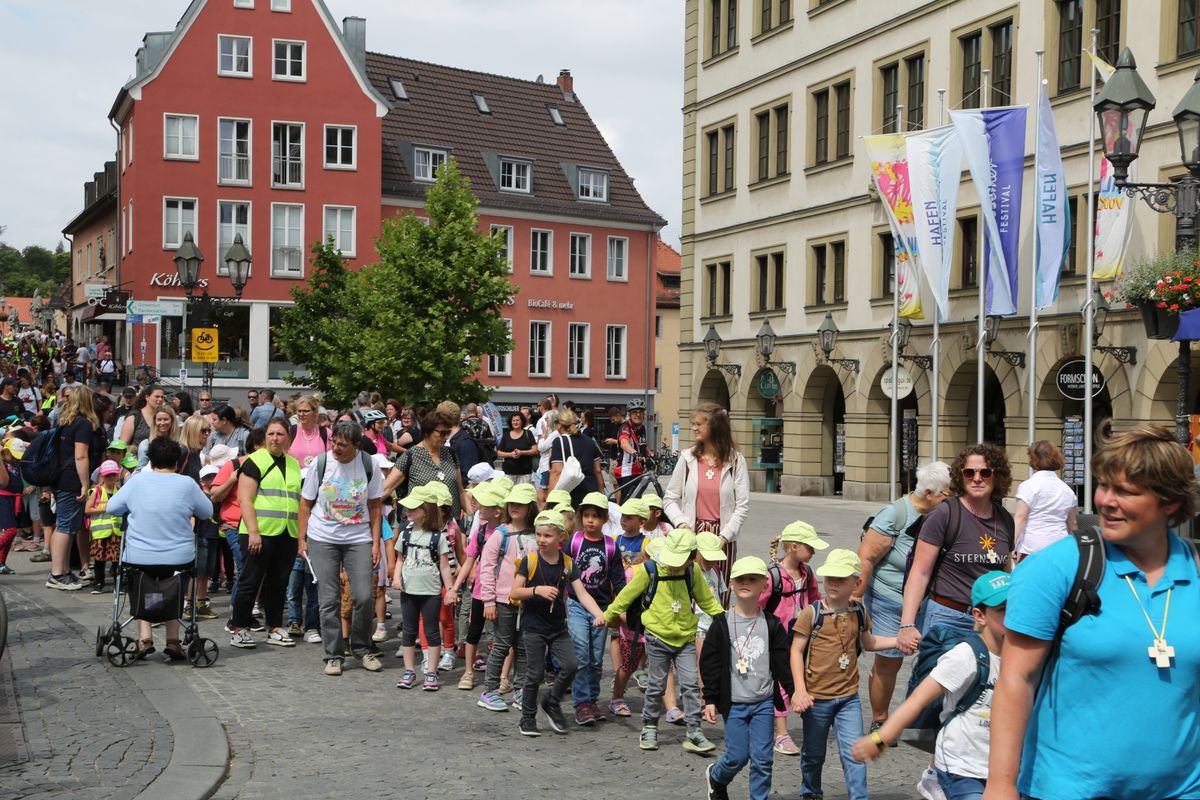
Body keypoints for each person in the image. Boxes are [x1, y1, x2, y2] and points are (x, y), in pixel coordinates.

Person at [987, 425, 1200, 800]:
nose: (1105, 501)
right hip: (1070, 789)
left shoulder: (1195, 570)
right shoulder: (1060, 566)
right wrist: (1000, 786)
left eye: (1125, 491)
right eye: (1104, 486)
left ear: (1170, 502)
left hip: (1182, 790)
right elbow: (1016, 679)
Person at [853, 571, 1010, 800]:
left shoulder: (1025, 656)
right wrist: (880, 738)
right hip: (961, 766)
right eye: (1003, 610)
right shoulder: (966, 656)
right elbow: (917, 700)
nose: (1013, 614)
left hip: (1003, 766)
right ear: (979, 615)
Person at [789, 549, 904, 800]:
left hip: (848, 698)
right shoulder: (812, 613)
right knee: (814, 754)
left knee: (855, 752)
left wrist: (897, 641)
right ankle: (811, 792)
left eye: (841, 579)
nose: (833, 584)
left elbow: (869, 642)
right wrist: (800, 689)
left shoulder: (859, 612)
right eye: (830, 578)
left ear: (857, 582)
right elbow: (796, 651)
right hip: (816, 699)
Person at [604, 528, 724, 754]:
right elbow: (625, 597)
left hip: (685, 638)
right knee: (656, 684)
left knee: (689, 684)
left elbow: (706, 600)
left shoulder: (693, 571)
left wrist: (724, 618)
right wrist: (608, 616)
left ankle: (694, 730)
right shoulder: (649, 570)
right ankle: (649, 726)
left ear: (691, 558)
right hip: (657, 637)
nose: (674, 565)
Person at [855, 461, 952, 728]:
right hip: (890, 598)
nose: (951, 500)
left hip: (928, 600)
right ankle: (880, 719)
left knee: (937, 660)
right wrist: (855, 602)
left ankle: (927, 718)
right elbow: (865, 558)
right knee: (889, 663)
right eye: (947, 494)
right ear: (929, 493)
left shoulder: (943, 515)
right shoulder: (895, 514)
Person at [899, 444, 1014, 654]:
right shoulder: (944, 514)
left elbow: (1006, 571)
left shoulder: (1005, 518)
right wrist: (907, 624)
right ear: (960, 477)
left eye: (985, 472)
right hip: (947, 618)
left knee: (983, 685)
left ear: (997, 477)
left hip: (988, 622)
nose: (977, 478)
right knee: (936, 684)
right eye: (969, 472)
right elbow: (920, 572)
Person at [106, 436, 214, 660]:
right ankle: (173, 640)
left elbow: (112, 507)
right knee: (171, 587)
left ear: (151, 460)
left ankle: (145, 638)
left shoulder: (137, 481)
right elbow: (207, 512)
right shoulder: (187, 484)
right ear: (177, 461)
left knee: (144, 585)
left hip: (140, 556)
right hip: (178, 556)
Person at [701, 556, 796, 800]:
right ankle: (716, 777)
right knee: (737, 756)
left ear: (764, 585)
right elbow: (710, 663)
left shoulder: (772, 624)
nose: (746, 583)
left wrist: (795, 692)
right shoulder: (721, 623)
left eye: (752, 579)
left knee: (763, 760)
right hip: (734, 703)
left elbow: (782, 664)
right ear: (731, 584)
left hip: (763, 702)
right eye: (740, 579)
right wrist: (710, 699)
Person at [509, 508, 608, 736]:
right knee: (534, 674)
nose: (542, 540)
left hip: (557, 627)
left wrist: (597, 614)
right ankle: (527, 718)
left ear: (560, 537)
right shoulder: (529, 560)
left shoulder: (568, 563)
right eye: (539, 535)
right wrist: (536, 590)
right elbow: (515, 591)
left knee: (572, 665)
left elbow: (582, 594)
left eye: (547, 536)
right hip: (533, 628)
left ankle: (551, 701)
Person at [298, 420, 385, 676]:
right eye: (334, 442)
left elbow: (376, 507)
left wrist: (376, 542)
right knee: (329, 599)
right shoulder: (321, 464)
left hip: (358, 537)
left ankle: (361, 647)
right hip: (322, 536)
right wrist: (301, 539)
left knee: (364, 595)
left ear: (357, 446)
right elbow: (305, 504)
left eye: (343, 445)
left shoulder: (370, 464)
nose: (336, 448)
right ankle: (334, 654)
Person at [229, 418, 302, 650]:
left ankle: (274, 627)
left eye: (280, 434)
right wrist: (253, 532)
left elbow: (297, 501)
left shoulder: (293, 464)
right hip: (258, 532)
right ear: (264, 436)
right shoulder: (254, 461)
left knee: (278, 583)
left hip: (286, 533)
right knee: (250, 581)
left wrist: (300, 536)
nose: (275, 438)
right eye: (271, 434)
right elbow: (245, 499)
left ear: (287, 438)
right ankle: (239, 628)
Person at [664, 402, 750, 594]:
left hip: (722, 537)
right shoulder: (687, 459)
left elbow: (742, 506)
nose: (694, 428)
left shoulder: (736, 461)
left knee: (718, 594)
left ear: (714, 426)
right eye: (693, 423)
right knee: (689, 593)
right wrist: (682, 525)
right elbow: (669, 498)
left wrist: (724, 537)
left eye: (699, 424)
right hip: (692, 534)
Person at [761, 520, 826, 755]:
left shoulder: (807, 572)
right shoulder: (772, 576)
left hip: (799, 636)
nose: (814, 551)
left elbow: (815, 600)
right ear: (793, 547)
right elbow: (758, 607)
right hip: (776, 638)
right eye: (810, 546)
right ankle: (781, 733)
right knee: (780, 682)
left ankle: (777, 724)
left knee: (795, 679)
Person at [563, 490, 627, 725]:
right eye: (587, 515)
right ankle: (581, 703)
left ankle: (591, 700)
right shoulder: (575, 541)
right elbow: (563, 569)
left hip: (602, 608)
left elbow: (619, 580)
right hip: (577, 605)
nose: (591, 520)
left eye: (596, 516)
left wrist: (621, 607)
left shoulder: (610, 546)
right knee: (581, 653)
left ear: (604, 519)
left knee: (596, 658)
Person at [476, 483, 539, 712]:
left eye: (519, 504)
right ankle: (490, 690)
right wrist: (489, 601)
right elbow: (487, 567)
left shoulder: (536, 533)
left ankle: (520, 689)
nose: (514, 507)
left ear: (529, 507)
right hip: (503, 600)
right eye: (511, 503)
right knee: (501, 645)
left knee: (523, 646)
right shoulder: (501, 534)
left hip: (529, 601)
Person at [392, 484, 456, 690]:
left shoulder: (438, 537)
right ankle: (409, 670)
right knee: (409, 632)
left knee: (431, 632)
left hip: (431, 592)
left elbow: (445, 566)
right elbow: (400, 559)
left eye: (413, 508)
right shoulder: (406, 534)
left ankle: (431, 672)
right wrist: (396, 578)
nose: (408, 511)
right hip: (409, 591)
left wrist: (451, 590)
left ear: (426, 511)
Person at [449, 479, 507, 691]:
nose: (478, 507)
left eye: (483, 505)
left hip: (503, 593)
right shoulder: (481, 531)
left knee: (503, 635)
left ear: (498, 511)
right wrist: (455, 587)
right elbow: (469, 561)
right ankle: (468, 672)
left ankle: (502, 676)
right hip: (481, 592)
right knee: (474, 632)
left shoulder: (507, 532)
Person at [45, 386, 100, 591]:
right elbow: (81, 455)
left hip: (61, 478)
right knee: (65, 526)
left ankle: (65, 571)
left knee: (66, 525)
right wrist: (85, 484)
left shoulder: (65, 422)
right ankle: (57, 573)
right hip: (71, 480)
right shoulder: (83, 424)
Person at [384, 409, 468, 524]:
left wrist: (473, 519)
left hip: (451, 528)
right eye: (442, 433)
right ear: (427, 432)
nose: (445, 437)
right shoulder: (411, 455)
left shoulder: (451, 454)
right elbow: (387, 488)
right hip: (420, 528)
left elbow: (460, 491)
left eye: (448, 433)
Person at [1012, 440, 1077, 560]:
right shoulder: (1067, 491)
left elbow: (1020, 518)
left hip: (1032, 547)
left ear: (1033, 459)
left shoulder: (1028, 486)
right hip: (1060, 547)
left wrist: (1011, 546)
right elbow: (1072, 523)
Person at [548, 408, 605, 510]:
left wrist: (550, 497)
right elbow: (597, 470)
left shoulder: (559, 442)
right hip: (590, 492)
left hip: (570, 492)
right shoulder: (589, 441)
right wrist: (601, 492)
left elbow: (556, 471)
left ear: (559, 424)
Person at [83, 459, 122, 592]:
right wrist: (106, 508)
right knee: (99, 559)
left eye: (113, 475)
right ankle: (99, 583)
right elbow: (87, 510)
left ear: (117, 475)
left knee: (117, 560)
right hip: (100, 532)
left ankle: (118, 584)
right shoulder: (97, 491)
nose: (111, 478)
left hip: (116, 531)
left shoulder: (120, 491)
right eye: (107, 475)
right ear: (102, 477)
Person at [0, 438, 27, 575]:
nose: (16, 459)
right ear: (5, 452)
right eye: (14, 455)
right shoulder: (2, 463)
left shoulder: (16, 464)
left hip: (15, 499)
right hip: (4, 498)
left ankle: (1, 563)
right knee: (10, 531)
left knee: (12, 534)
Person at [614, 399, 650, 498]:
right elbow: (624, 444)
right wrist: (636, 453)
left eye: (640, 412)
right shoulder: (625, 428)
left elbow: (643, 444)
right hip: (626, 471)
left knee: (637, 498)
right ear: (629, 414)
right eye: (634, 412)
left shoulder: (642, 428)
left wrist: (650, 453)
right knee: (629, 501)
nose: (638, 415)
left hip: (638, 470)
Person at [288, 395, 330, 468]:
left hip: (318, 478)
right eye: (299, 411)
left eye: (306, 411)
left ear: (315, 411)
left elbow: (331, 459)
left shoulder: (326, 433)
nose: (301, 414)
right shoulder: (290, 431)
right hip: (295, 477)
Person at [120, 385, 167, 449]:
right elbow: (123, 444)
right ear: (147, 397)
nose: (160, 399)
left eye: (162, 397)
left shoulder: (164, 416)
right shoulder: (135, 416)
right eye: (157, 396)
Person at [497, 412, 537, 484]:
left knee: (523, 494)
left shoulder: (528, 433)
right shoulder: (506, 435)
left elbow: (535, 450)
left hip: (525, 473)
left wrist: (522, 452)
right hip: (508, 473)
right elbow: (499, 452)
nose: (515, 422)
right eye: (513, 420)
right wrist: (510, 454)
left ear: (522, 421)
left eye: (517, 420)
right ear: (510, 422)